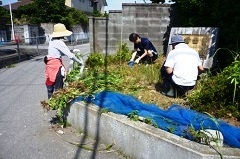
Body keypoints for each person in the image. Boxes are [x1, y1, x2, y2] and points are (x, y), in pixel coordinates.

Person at [45, 23, 83, 99]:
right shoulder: (59, 42)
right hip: (56, 67)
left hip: (49, 65)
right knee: (58, 87)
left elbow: (57, 52)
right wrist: (79, 62)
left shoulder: (52, 40)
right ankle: (57, 104)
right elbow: (70, 55)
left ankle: (50, 100)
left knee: (50, 83)